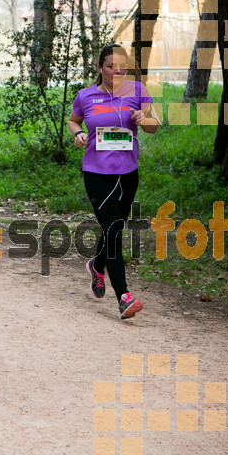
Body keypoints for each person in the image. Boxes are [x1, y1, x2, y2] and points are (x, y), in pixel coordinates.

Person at [68, 44, 160, 319]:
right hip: (96, 172)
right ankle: (123, 296)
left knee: (113, 228)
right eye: (111, 66)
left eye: (122, 66)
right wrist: (78, 134)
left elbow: (154, 126)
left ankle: (97, 265)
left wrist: (143, 118)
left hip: (127, 173)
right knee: (114, 230)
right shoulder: (86, 96)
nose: (117, 71)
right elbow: (73, 121)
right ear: (100, 68)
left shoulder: (137, 92)